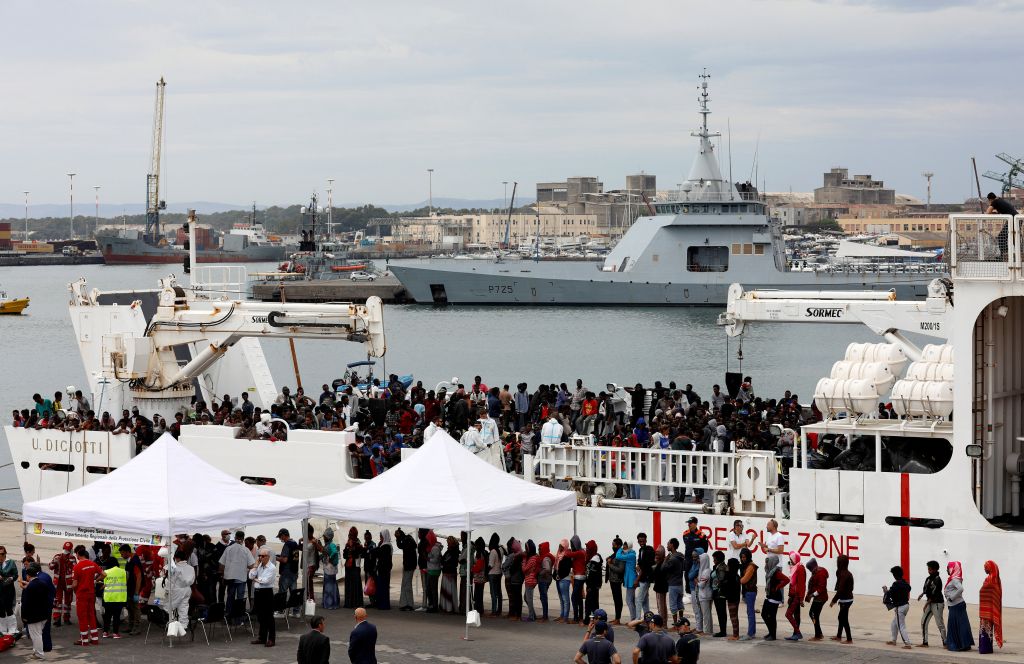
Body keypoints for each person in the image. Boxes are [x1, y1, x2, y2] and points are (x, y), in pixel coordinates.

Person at [70, 545, 104, 646]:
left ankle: (84, 640)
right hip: (91, 594)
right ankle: (95, 639)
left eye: (76, 554)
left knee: (82, 617)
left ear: (79, 555)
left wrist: (71, 587)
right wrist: (95, 580)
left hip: (82, 595)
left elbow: (75, 584)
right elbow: (104, 574)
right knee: (91, 616)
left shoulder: (77, 567)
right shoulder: (93, 564)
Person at [219, 530, 255, 625]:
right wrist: (243, 565)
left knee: (230, 597)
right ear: (243, 539)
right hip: (241, 578)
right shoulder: (246, 550)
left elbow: (221, 565)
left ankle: (228, 617)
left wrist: (222, 575)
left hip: (230, 578)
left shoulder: (228, 549)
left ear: (235, 538)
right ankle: (238, 619)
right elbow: (251, 565)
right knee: (240, 598)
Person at [21, 562, 52, 660]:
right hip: (44, 614)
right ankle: (36, 651)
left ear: (28, 575)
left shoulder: (30, 587)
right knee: (38, 634)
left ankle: (39, 654)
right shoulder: (42, 583)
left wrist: (24, 616)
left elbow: (25, 603)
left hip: (34, 616)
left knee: (36, 635)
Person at [250, 547, 277, 648]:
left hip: (266, 593)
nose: (261, 558)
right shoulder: (259, 566)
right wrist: (255, 566)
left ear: (268, 557)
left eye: (263, 556)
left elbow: (265, 581)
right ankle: (262, 637)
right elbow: (250, 576)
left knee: (269, 616)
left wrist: (256, 579)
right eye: (259, 556)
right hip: (258, 592)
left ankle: (271, 638)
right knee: (260, 616)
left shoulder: (272, 568)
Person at [944, 561, 973, 652]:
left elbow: (961, 589)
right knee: (961, 625)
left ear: (953, 568)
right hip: (956, 605)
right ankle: (965, 644)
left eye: (948, 568)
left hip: (956, 605)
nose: (947, 570)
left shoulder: (955, 579)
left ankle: (956, 645)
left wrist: (952, 597)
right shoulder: (954, 578)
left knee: (954, 626)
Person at [918, 560, 946, 648]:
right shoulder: (928, 578)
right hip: (930, 602)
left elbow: (935, 593)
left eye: (930, 569)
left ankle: (945, 642)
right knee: (923, 622)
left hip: (937, 603)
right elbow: (926, 589)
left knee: (939, 623)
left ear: (935, 569)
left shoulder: (938, 579)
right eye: (928, 569)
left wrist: (927, 603)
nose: (928, 571)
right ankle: (925, 642)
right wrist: (922, 594)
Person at [167, 548, 195, 636]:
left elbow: (171, 581)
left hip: (177, 590)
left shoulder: (175, 568)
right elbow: (193, 580)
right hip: (187, 590)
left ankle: (171, 625)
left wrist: (168, 590)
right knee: (184, 607)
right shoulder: (191, 568)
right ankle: (183, 626)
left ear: (177, 558)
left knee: (169, 606)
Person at [883, 565, 912, 649]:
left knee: (901, 626)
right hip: (906, 605)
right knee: (894, 624)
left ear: (894, 575)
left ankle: (907, 643)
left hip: (900, 607)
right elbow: (909, 588)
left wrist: (885, 591)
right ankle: (893, 640)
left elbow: (890, 593)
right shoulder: (905, 583)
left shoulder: (895, 584)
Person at [761, 553, 788, 641]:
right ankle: (770, 632)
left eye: (767, 562)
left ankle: (773, 635)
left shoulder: (776, 572)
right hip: (769, 595)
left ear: (772, 562)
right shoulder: (769, 571)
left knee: (771, 616)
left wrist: (777, 587)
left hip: (775, 597)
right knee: (764, 614)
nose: (766, 564)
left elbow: (787, 580)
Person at [48, 542, 74, 627]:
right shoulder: (70, 558)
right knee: (63, 601)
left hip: (63, 583)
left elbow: (50, 566)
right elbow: (51, 566)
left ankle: (59, 619)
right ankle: (62, 619)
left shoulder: (60, 557)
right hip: (63, 583)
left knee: (61, 601)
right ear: (71, 549)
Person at [829, 554, 854, 643]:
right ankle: (839, 636)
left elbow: (840, 590)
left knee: (843, 618)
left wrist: (833, 601)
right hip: (845, 599)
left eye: (838, 562)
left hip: (847, 600)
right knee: (842, 617)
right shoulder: (841, 572)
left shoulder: (845, 574)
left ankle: (849, 639)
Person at [978, 560, 1002, 653]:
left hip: (987, 609)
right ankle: (986, 648)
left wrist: (982, 591)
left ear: (990, 568)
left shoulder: (991, 579)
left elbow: (985, 591)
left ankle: (984, 649)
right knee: (987, 629)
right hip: (988, 609)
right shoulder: (996, 579)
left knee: (985, 629)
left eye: (986, 567)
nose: (984, 569)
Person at [100, 557, 127, 639]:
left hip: (108, 597)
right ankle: (115, 633)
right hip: (119, 598)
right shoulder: (123, 572)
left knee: (107, 615)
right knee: (116, 616)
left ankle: (105, 632)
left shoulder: (106, 572)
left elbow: (105, 584)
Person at [276, 528, 301, 616]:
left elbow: (285, 560)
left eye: (280, 536)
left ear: (283, 535)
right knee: (294, 593)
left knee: (282, 592)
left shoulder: (287, 545)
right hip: (294, 571)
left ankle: (280, 611)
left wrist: (276, 558)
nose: (280, 539)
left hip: (286, 572)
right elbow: (293, 558)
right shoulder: (294, 544)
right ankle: (296, 611)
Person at [614, 541, 638, 622]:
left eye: (626, 546)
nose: (624, 547)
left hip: (631, 579)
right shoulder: (630, 554)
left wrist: (620, 548)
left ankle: (633, 619)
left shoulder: (631, 555)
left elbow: (618, 556)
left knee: (629, 600)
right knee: (631, 600)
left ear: (629, 547)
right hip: (630, 579)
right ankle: (634, 618)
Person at [784, 552, 805, 641]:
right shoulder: (794, 568)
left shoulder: (799, 568)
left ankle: (798, 632)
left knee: (788, 614)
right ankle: (795, 634)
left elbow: (801, 584)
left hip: (796, 596)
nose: (790, 561)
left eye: (791, 559)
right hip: (793, 595)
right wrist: (789, 596)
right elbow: (791, 584)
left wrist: (801, 598)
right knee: (796, 616)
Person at [663, 538, 685, 626]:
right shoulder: (681, 557)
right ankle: (681, 622)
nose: (667, 546)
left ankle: (676, 624)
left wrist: (665, 560)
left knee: (673, 605)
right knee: (680, 603)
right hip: (680, 584)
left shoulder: (672, 558)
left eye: (668, 544)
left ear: (672, 545)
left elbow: (663, 569)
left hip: (673, 584)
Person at [738, 548, 758, 640]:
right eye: (741, 557)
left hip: (750, 591)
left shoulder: (751, 566)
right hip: (748, 591)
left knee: (750, 613)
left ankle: (750, 634)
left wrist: (735, 580)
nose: (743, 559)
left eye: (744, 557)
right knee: (750, 612)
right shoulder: (746, 565)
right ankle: (752, 632)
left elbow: (744, 580)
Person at [395, 529, 417, 611]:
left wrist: (397, 538)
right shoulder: (408, 539)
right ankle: (406, 603)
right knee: (406, 584)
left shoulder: (406, 540)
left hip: (409, 566)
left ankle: (408, 604)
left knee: (406, 585)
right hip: (409, 565)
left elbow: (401, 546)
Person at [343, 527, 365, 609]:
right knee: (349, 584)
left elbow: (358, 554)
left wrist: (351, 549)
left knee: (355, 584)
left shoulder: (358, 543)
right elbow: (344, 555)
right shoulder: (348, 543)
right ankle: (349, 603)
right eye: (350, 533)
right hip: (348, 567)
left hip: (355, 567)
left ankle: (356, 602)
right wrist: (349, 549)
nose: (350, 535)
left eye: (351, 533)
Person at [634, 533, 655, 615]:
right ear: (638, 541)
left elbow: (645, 567)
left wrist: (637, 580)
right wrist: (638, 565)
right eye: (640, 541)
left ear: (646, 540)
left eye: (643, 541)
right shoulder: (641, 550)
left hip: (645, 578)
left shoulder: (649, 550)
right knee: (645, 600)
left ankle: (637, 618)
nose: (641, 542)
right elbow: (640, 563)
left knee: (638, 600)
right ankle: (648, 619)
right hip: (643, 578)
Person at [321, 528, 341, 610]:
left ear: (328, 537)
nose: (323, 537)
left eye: (325, 536)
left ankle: (330, 604)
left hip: (330, 569)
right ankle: (333, 603)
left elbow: (335, 552)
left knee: (329, 586)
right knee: (332, 586)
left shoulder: (331, 545)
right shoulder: (328, 544)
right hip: (329, 569)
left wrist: (329, 557)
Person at [373, 530, 393, 610]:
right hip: (383, 569)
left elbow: (379, 553)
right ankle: (382, 604)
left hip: (384, 569)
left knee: (384, 587)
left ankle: (384, 605)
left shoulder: (386, 546)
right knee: (382, 587)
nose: (380, 537)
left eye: (381, 536)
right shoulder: (384, 545)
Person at [0, 546, 17, 635]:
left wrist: (10, 578)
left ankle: (12, 628)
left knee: (9, 608)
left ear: (5, 553)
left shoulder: (10, 562)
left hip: (8, 589)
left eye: (2, 554)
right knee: (1, 609)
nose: (0, 556)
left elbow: (15, 575)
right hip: (0, 589)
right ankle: (3, 629)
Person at [694, 551, 712, 635]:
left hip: (705, 596)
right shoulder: (704, 570)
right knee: (706, 614)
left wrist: (697, 581)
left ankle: (707, 631)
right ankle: (708, 630)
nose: (698, 560)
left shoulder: (706, 572)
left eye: (699, 559)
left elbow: (701, 585)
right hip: (704, 595)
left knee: (706, 615)